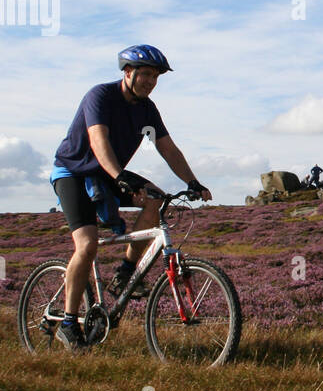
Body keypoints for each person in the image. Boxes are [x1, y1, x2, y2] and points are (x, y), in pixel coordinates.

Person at [48, 44, 212, 350]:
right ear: (128, 73)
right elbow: (98, 140)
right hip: (74, 172)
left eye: (156, 77)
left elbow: (168, 148)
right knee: (87, 244)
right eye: (146, 74)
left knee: (155, 199)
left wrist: (192, 181)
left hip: (110, 173)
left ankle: (125, 272)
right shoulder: (100, 96)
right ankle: (69, 322)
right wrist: (119, 176)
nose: (151, 81)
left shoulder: (147, 109)